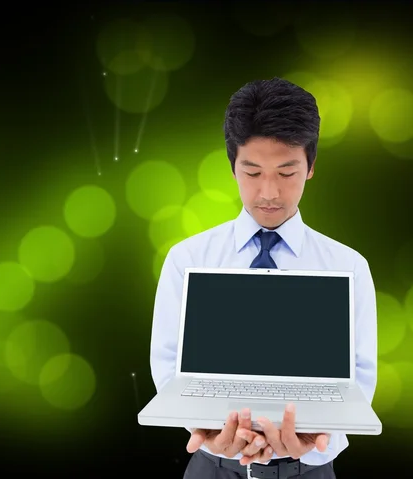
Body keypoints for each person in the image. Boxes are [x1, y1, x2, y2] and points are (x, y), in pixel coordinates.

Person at [149, 77, 377, 478]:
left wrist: (315, 446)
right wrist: (205, 429)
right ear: (232, 166)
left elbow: (358, 384)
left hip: (308, 470)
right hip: (212, 466)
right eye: (252, 172)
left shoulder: (348, 266)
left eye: (286, 172)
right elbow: (169, 369)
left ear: (311, 167)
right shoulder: (188, 258)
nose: (268, 192)